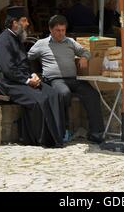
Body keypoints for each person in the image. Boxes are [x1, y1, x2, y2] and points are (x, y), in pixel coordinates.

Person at [0, 6, 64, 148]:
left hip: (22, 79)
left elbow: (25, 62)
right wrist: (27, 81)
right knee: (40, 99)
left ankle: (57, 135)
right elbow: (8, 69)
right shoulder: (4, 40)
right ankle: (40, 139)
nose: (27, 24)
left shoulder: (16, 37)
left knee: (54, 94)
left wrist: (33, 75)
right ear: (14, 23)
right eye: (24, 21)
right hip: (8, 83)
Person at [28, 14, 104, 144]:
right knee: (64, 94)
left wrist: (84, 57)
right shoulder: (41, 44)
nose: (61, 33)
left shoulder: (70, 42)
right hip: (54, 80)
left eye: (63, 30)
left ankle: (96, 132)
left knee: (93, 94)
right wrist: (34, 73)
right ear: (50, 30)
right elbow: (28, 57)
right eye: (58, 30)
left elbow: (85, 51)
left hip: (73, 79)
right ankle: (64, 130)